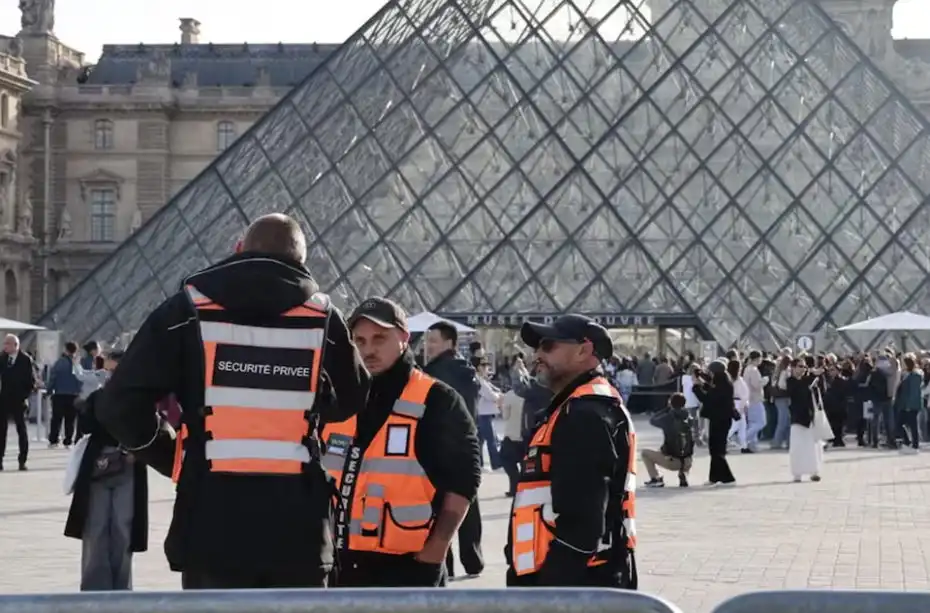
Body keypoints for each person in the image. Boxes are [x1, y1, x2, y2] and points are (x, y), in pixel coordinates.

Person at [97, 213, 370, 589]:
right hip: (298, 528)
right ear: (301, 262)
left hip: (210, 521)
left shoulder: (187, 310)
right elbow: (353, 397)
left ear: (239, 249)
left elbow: (118, 405)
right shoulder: (323, 318)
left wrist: (172, 457)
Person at [320, 298, 480, 587]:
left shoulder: (437, 399)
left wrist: (435, 552)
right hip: (340, 567)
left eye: (379, 338)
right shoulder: (339, 399)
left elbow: (464, 480)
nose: (368, 350)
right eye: (360, 340)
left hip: (407, 569)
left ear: (404, 338)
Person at [506, 314, 637, 589]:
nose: (537, 354)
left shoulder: (583, 414)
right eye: (537, 347)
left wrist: (550, 592)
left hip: (574, 587)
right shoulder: (578, 406)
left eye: (548, 345)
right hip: (579, 580)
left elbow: (583, 523)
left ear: (583, 350)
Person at [65, 351, 149, 591]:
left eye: (114, 371)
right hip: (97, 466)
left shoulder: (139, 398)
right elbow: (86, 427)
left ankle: (121, 588)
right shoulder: (98, 396)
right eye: (107, 370)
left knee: (123, 528)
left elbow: (149, 429)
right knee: (96, 527)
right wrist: (88, 403)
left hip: (128, 466)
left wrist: (137, 450)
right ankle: (94, 588)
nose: (109, 375)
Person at [422, 321, 484, 578]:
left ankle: (443, 564)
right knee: (468, 504)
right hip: (467, 446)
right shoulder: (468, 372)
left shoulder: (433, 373)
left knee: (440, 509)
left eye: (433, 341)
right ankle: (473, 559)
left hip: (439, 447)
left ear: (449, 342)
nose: (428, 346)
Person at [693, 360, 736, 486]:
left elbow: (707, 398)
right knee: (714, 449)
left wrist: (696, 387)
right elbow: (710, 386)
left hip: (721, 420)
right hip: (719, 419)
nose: (709, 374)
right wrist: (700, 376)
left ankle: (728, 478)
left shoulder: (723, 386)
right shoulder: (722, 382)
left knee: (718, 450)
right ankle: (714, 477)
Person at [642, 393, 694, 488]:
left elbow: (653, 420)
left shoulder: (668, 418)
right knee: (683, 444)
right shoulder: (689, 418)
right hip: (688, 461)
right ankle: (684, 473)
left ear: (671, 403)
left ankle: (656, 478)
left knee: (645, 453)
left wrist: (667, 409)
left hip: (672, 461)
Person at [0, 334, 35, 471]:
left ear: (16, 345)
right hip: (3, 400)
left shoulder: (25, 360)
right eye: (4, 344)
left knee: (21, 430)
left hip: (19, 400)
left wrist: (23, 396)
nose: (5, 346)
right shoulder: (2, 358)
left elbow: (30, 381)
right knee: (1, 431)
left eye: (7, 344)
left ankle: (22, 460)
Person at [786, 357, 822, 482]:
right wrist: (810, 381)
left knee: (813, 446)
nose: (803, 369)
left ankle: (814, 471)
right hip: (797, 418)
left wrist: (815, 379)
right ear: (793, 368)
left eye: (804, 367)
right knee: (797, 447)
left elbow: (818, 393)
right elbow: (796, 393)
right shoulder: (791, 381)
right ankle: (797, 473)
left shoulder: (808, 380)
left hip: (810, 417)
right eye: (800, 366)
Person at [47, 341, 83, 448]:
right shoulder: (77, 364)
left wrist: (49, 390)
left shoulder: (59, 362)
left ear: (65, 349)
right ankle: (68, 440)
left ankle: (53, 440)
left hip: (59, 394)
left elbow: (53, 377)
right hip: (73, 395)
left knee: (56, 419)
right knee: (70, 420)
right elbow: (80, 380)